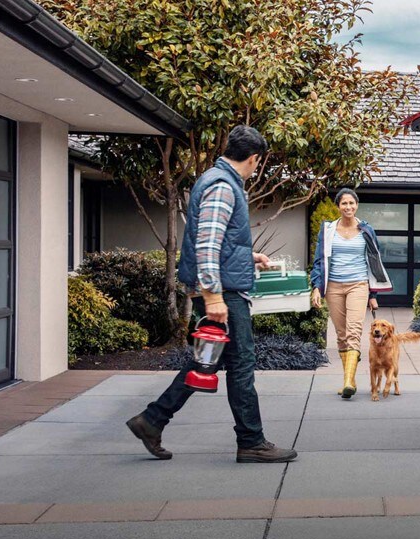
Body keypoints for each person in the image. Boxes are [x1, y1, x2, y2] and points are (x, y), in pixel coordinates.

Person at [125, 125, 298, 463]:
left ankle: (152, 420)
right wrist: (214, 295)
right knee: (242, 364)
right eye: (257, 162)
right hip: (224, 293)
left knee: (209, 360)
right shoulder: (223, 187)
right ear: (252, 159)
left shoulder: (217, 180)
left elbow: (218, 241)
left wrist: (249, 257)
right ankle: (250, 441)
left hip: (222, 287)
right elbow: (206, 245)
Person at [309, 188, 388, 398]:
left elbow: (374, 262)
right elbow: (319, 260)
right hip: (333, 286)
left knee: (354, 331)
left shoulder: (366, 231)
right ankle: (349, 378)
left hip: (358, 285)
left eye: (352, 203)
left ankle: (347, 383)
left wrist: (373, 295)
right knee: (341, 334)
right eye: (344, 203)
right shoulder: (328, 230)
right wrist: (317, 286)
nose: (348, 207)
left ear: (357, 205)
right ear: (338, 206)